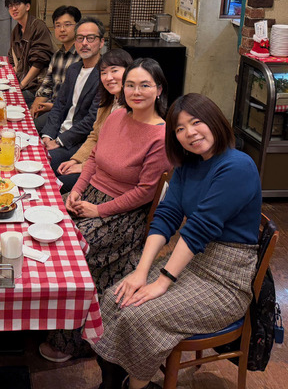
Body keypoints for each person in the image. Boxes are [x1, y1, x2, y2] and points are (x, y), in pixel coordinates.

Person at [92, 93, 262, 389]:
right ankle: (114, 382)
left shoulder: (238, 166)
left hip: (226, 280)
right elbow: (167, 215)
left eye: (196, 122)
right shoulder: (188, 165)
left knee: (139, 315)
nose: (189, 133)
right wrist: (141, 272)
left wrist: (162, 282)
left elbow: (198, 229)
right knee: (113, 298)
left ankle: (139, 386)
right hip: (191, 263)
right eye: (180, 129)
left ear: (215, 121)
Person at [39, 58, 171, 364]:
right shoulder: (116, 116)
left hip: (123, 213)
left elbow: (144, 193)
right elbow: (93, 159)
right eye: (130, 85)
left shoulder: (161, 137)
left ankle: (73, 340)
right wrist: (75, 191)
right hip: (90, 196)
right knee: (41, 220)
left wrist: (99, 211)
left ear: (159, 90)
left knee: (69, 249)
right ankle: (42, 315)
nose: (136, 92)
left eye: (145, 85)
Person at [56, 49, 133, 192]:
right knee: (55, 174)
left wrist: (83, 166)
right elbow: (94, 136)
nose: (108, 77)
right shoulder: (107, 102)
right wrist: (76, 160)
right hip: (94, 162)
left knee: (57, 184)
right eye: (103, 73)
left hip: (110, 176)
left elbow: (118, 153)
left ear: (129, 72)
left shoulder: (132, 109)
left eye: (114, 71)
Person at [40, 17, 107, 180]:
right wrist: (48, 135)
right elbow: (59, 105)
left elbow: (92, 120)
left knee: (40, 165)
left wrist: (59, 141)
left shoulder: (105, 75)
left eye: (90, 38)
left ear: (101, 42)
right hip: (58, 133)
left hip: (77, 142)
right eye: (80, 38)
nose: (84, 43)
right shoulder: (74, 69)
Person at [31, 5, 82, 132]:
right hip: (50, 104)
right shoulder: (57, 56)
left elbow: (77, 97)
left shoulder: (82, 57)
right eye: (58, 25)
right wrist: (35, 106)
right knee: (23, 114)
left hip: (67, 112)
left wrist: (52, 106)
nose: (62, 29)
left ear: (78, 26)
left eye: (67, 25)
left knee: (32, 127)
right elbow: (47, 85)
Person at [5, 0, 54, 106]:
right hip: (23, 80)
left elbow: (39, 63)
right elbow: (12, 59)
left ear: (27, 6)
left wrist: (21, 85)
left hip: (37, 85)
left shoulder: (38, 27)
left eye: (17, 4)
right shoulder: (16, 30)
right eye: (10, 6)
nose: (13, 9)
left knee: (7, 101)